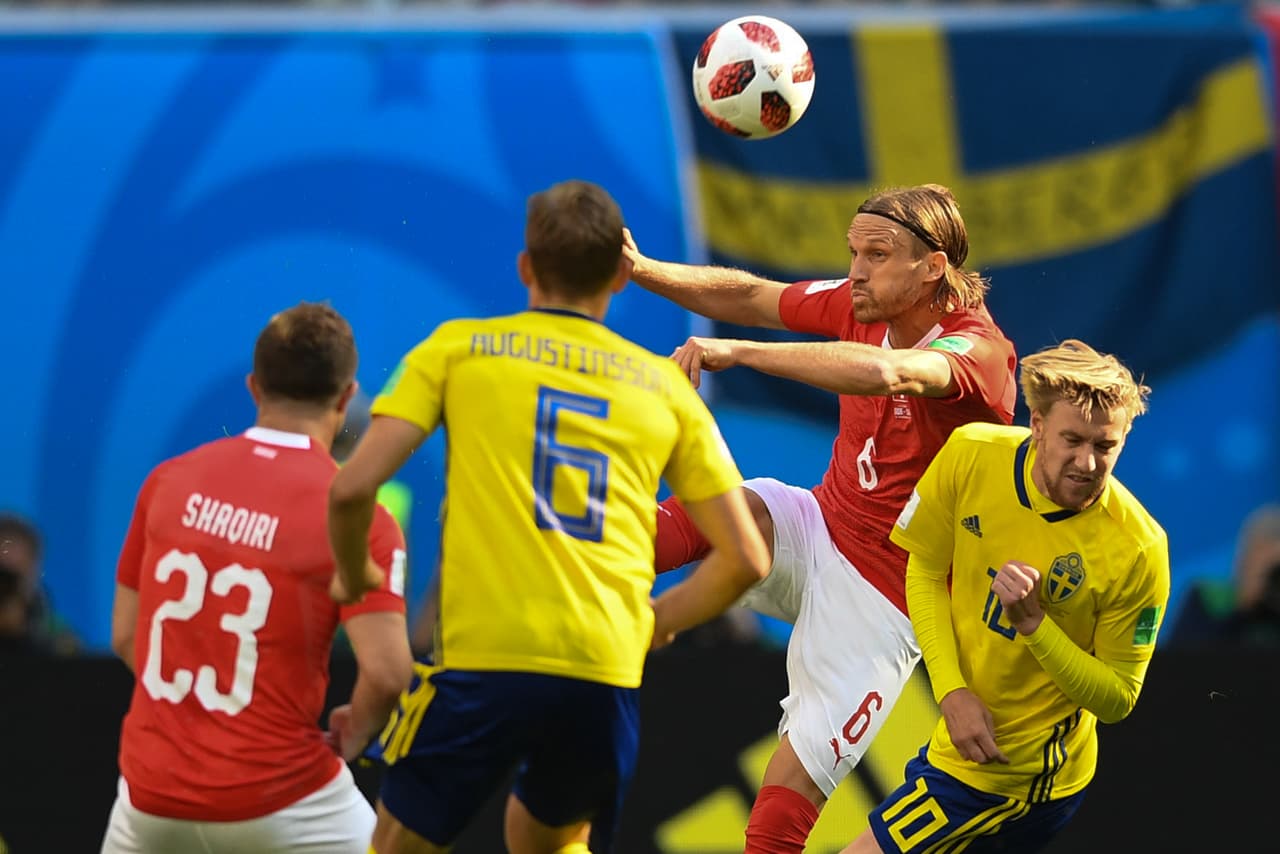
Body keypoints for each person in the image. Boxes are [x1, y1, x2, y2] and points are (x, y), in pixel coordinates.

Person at [327, 178, 770, 854]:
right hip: (601, 669)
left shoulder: (460, 349)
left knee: (395, 845)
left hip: (485, 660)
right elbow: (746, 558)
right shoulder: (665, 388)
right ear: (620, 276)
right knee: (547, 841)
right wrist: (656, 622)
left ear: (526, 267)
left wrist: (353, 574)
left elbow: (352, 489)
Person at [625, 183, 1017, 850]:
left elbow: (888, 374)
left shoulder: (979, 352)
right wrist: (641, 270)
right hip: (818, 524)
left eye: (876, 255)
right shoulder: (864, 299)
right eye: (853, 252)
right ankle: (563, 589)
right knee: (736, 506)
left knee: (787, 796)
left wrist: (738, 352)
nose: (856, 271)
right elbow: (752, 295)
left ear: (932, 267)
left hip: (886, 597)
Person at [100, 302, 414, 854]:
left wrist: (201, 724)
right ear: (346, 399)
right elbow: (388, 673)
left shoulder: (168, 481)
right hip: (284, 801)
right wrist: (358, 728)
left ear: (254, 386)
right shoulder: (357, 515)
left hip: (150, 800)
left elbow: (128, 636)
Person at [842, 339, 1169, 854]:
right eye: (1072, 439)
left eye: (1105, 446)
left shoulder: (1138, 548)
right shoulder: (971, 453)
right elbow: (926, 567)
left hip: (1019, 776)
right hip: (961, 746)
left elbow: (1117, 699)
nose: (1087, 462)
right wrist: (950, 691)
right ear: (1037, 424)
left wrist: (1035, 624)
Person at [1170, 503, 1280, 648]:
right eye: (1257, 553)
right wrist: (1243, 604)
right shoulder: (1206, 598)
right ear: (1242, 558)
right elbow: (1181, 656)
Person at [0, 512, 80, 654]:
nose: (7, 587)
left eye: (15, 577)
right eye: (3, 575)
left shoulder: (57, 635)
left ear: (35, 571)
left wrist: (21, 631)